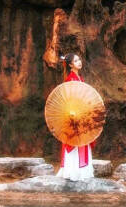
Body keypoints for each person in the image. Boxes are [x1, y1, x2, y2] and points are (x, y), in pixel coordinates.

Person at [56, 53, 95, 181]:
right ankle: (73, 172)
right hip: (73, 115)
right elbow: (69, 100)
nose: (79, 62)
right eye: (76, 60)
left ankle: (81, 171)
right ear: (70, 65)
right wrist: (74, 112)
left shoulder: (79, 78)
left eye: (79, 59)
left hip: (81, 114)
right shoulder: (70, 79)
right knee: (75, 141)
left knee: (82, 141)